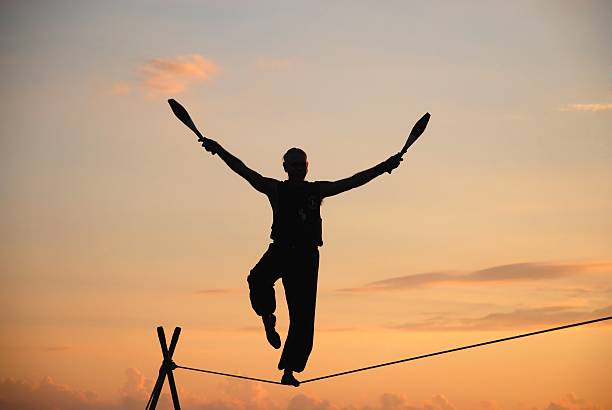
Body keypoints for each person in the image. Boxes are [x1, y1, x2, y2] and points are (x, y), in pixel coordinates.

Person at [199, 139, 403, 386]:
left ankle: (289, 371)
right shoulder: (274, 189)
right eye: (293, 165)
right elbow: (242, 170)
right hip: (282, 250)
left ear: (307, 167)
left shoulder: (317, 190)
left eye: (301, 164)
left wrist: (385, 166)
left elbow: (353, 181)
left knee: (303, 318)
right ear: (285, 167)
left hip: (306, 257)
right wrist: (219, 149)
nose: (297, 168)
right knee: (257, 279)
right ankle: (267, 316)